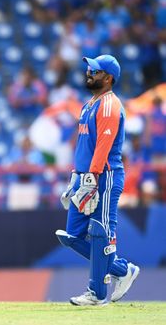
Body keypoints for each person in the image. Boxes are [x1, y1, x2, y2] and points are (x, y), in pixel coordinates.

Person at [57, 54, 139, 306]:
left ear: (109, 78)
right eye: (89, 69)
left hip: (104, 175)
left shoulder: (109, 105)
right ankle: (122, 270)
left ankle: (96, 293)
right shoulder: (89, 104)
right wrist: (75, 177)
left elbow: (103, 146)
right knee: (70, 236)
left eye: (95, 70)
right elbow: (84, 145)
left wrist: (91, 177)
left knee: (100, 231)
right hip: (85, 176)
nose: (89, 73)